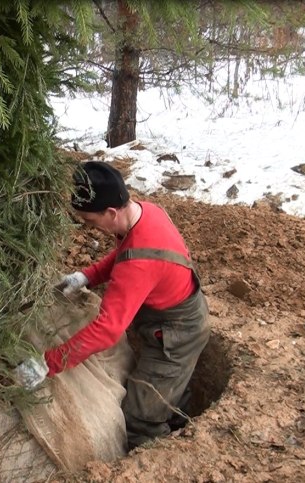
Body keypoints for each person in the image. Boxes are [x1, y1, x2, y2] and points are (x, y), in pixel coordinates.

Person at [45, 160, 210, 450]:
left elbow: (107, 330)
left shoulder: (139, 263)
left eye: (90, 221)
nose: (89, 228)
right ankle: (176, 415)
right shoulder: (144, 213)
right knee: (168, 391)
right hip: (174, 317)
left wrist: (49, 363)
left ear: (110, 212)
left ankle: (161, 457)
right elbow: (127, 252)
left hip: (177, 336)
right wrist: (88, 275)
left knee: (137, 416)